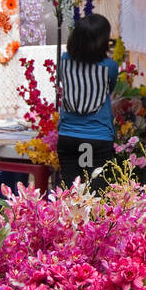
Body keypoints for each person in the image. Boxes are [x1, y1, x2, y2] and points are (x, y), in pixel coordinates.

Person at [56, 12, 119, 189]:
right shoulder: (110, 67)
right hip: (98, 137)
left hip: (68, 136)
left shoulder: (64, 61)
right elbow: (109, 89)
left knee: (71, 193)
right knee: (96, 195)